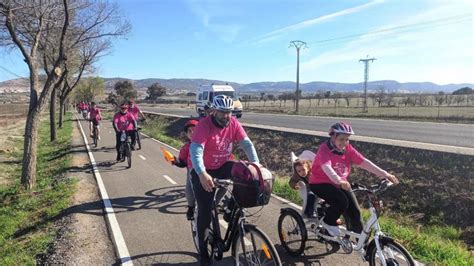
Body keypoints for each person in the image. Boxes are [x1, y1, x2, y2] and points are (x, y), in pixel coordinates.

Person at [189, 95, 260, 265]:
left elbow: (246, 144)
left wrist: (256, 165)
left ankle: (230, 209)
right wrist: (202, 173)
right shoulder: (204, 125)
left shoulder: (233, 123)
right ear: (214, 111)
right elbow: (196, 149)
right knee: (206, 211)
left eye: (228, 112)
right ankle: (204, 254)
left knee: (245, 173)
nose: (226, 115)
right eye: (222, 112)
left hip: (222, 165)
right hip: (202, 170)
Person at [309, 122, 399, 237]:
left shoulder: (348, 149)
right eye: (341, 139)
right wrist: (339, 180)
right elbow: (327, 167)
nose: (344, 143)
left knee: (355, 211)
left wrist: (385, 174)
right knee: (342, 201)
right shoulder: (324, 149)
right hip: (320, 183)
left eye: (347, 139)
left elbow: (365, 163)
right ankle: (328, 222)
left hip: (340, 183)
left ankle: (362, 243)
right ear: (333, 137)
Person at [171, 119, 199, 221]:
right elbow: (182, 162)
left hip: (209, 170)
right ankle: (191, 208)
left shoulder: (209, 143)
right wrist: (174, 161)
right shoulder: (186, 147)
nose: (192, 133)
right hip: (192, 171)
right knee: (189, 190)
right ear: (186, 134)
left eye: (194, 130)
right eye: (189, 131)